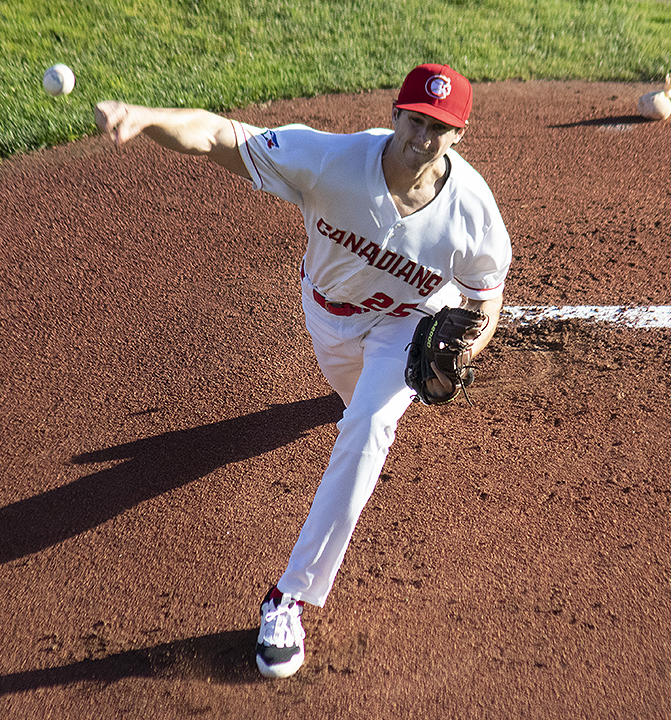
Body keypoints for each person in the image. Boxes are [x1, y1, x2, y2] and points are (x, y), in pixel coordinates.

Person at [94, 63, 512, 679]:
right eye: (416, 120)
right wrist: (146, 118)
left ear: (460, 135)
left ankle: (287, 598)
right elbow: (218, 137)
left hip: (408, 322)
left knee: (368, 428)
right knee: (349, 399)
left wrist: (462, 351)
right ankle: (350, 397)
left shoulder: (474, 213)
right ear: (395, 114)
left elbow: (485, 292)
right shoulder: (329, 160)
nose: (423, 138)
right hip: (328, 317)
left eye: (440, 128)